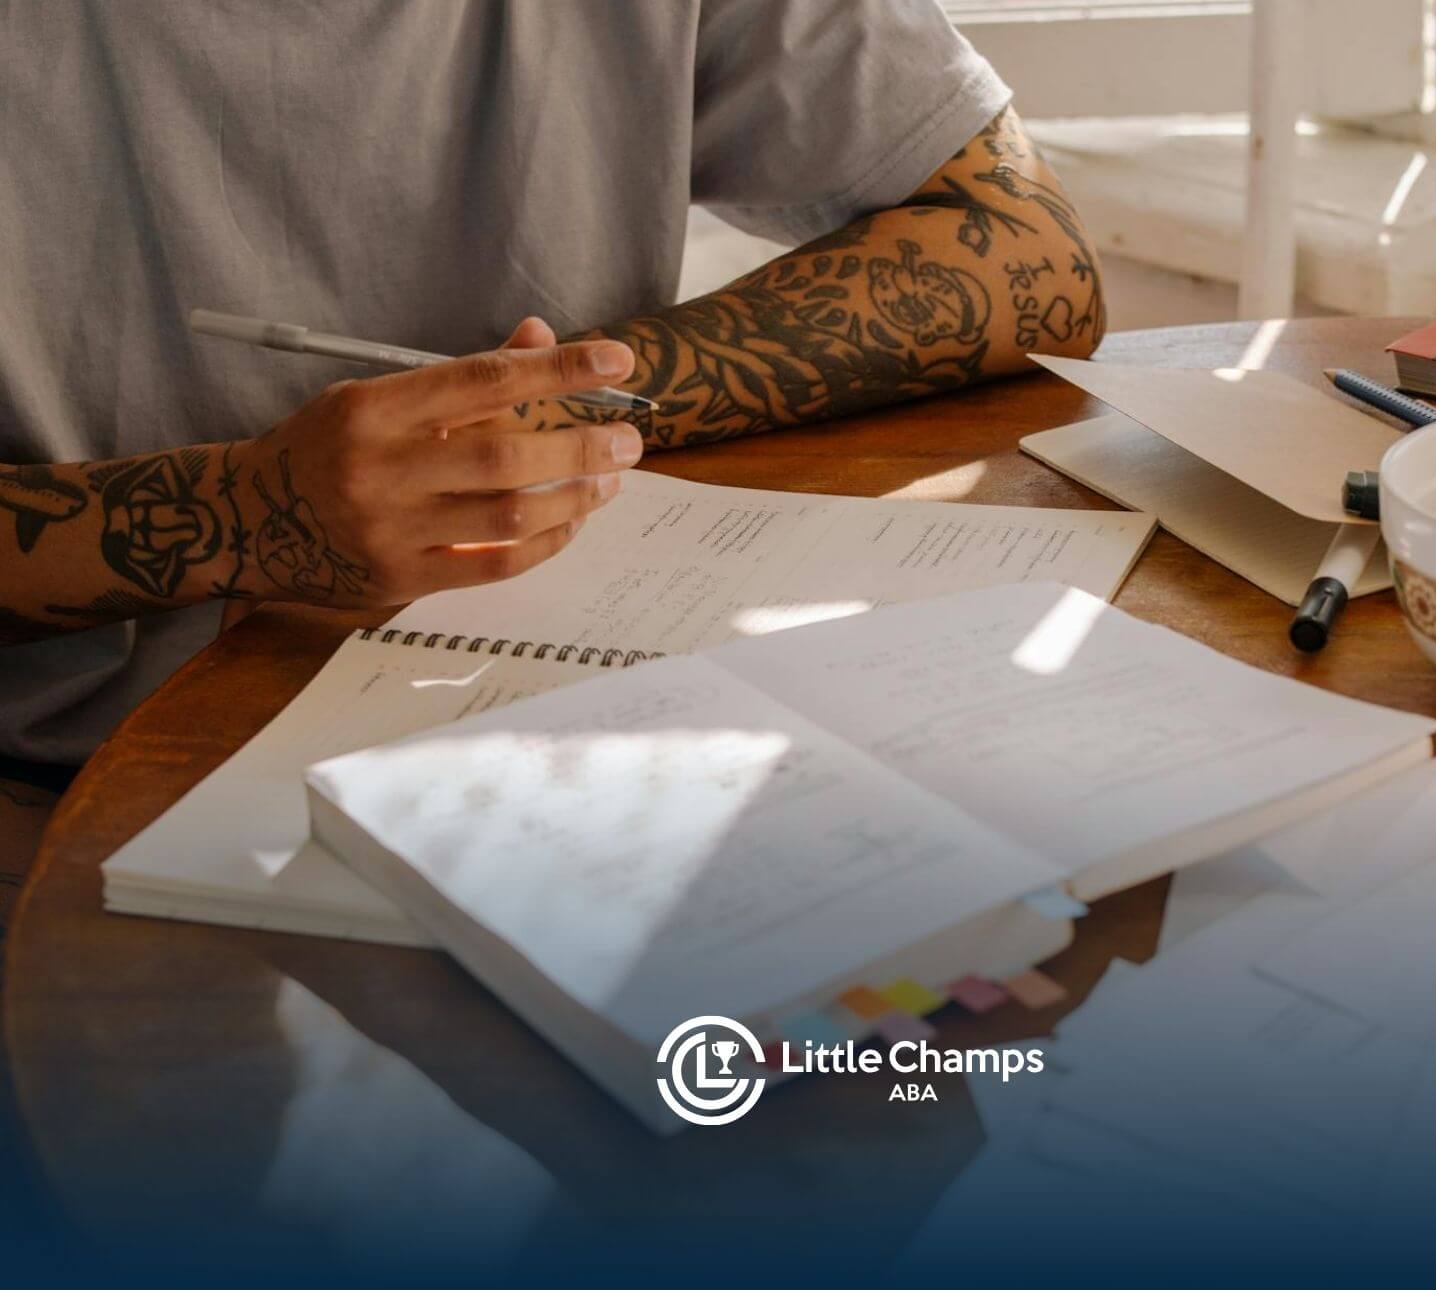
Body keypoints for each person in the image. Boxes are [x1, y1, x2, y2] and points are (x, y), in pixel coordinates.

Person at [0, 2, 1104, 889]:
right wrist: (238, 513)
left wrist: (576, 402)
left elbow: (1027, 253)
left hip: (560, 743)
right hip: (68, 799)